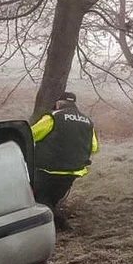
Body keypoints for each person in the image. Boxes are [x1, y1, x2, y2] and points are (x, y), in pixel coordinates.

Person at [30, 92, 99, 230]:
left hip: (49, 168)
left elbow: (31, 134)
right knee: (52, 199)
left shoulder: (53, 117)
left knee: (40, 198)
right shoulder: (87, 121)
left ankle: (62, 225)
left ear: (58, 103)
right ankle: (51, 226)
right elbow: (94, 147)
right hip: (75, 170)